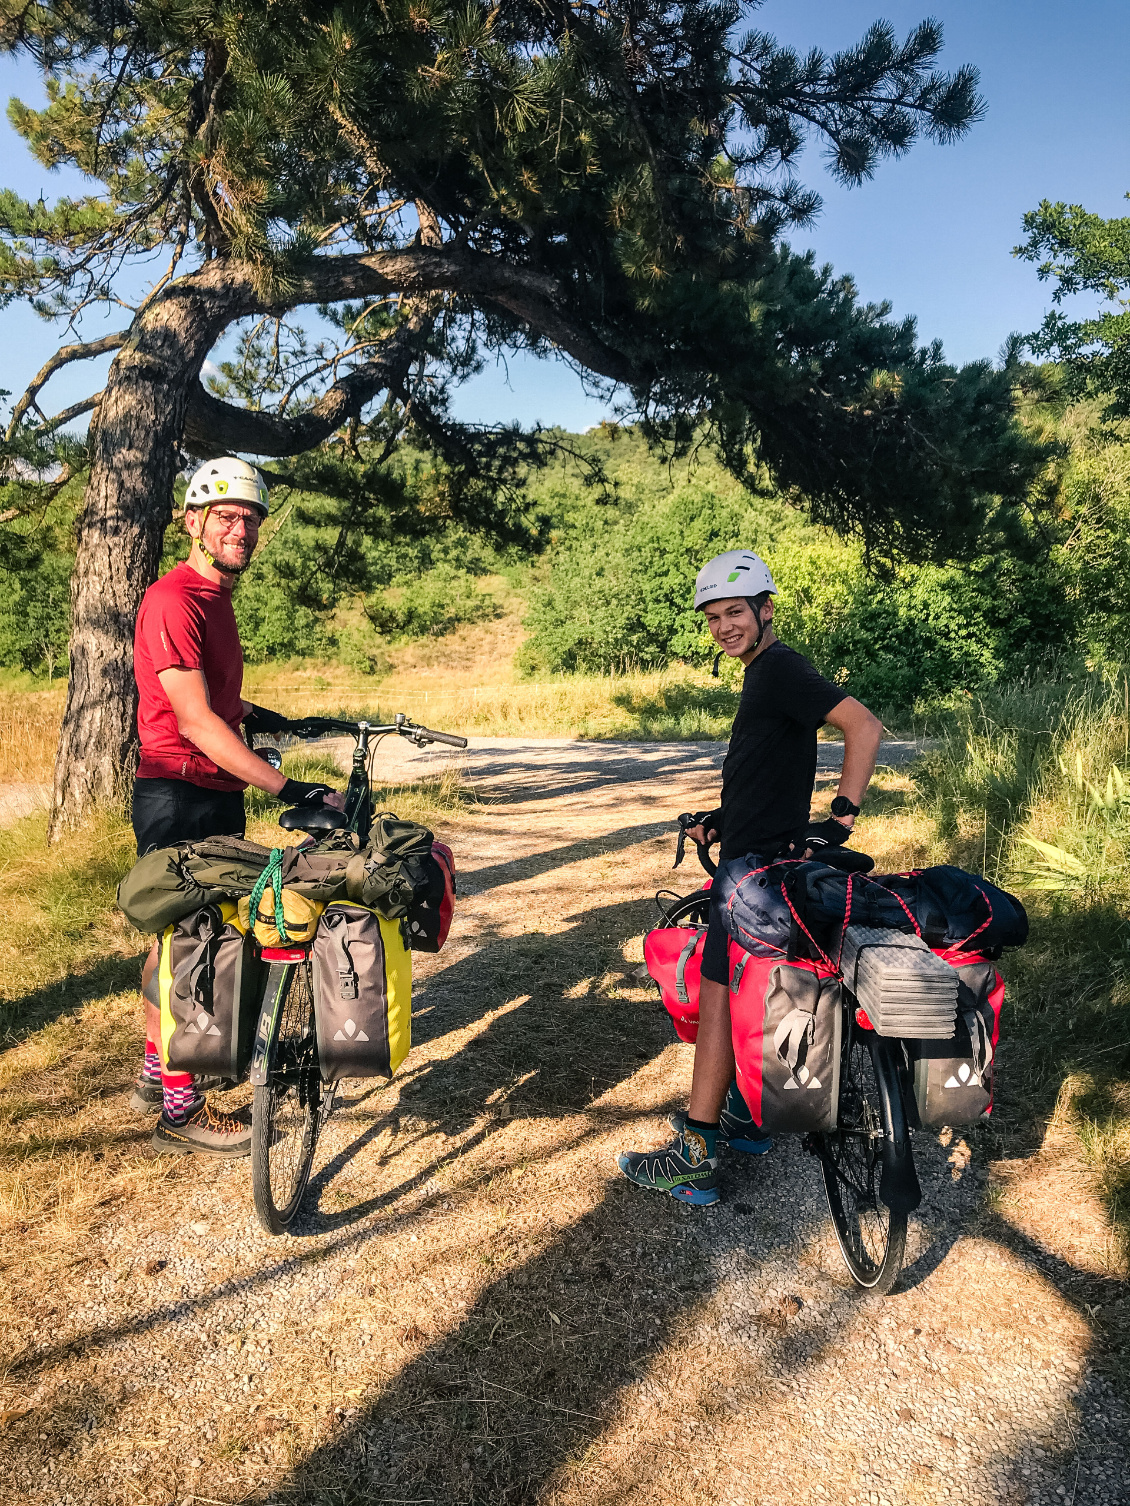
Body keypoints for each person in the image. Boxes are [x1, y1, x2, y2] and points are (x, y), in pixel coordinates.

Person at [618, 549, 882, 1205]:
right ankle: (747, 1119)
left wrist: (842, 818)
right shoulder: (764, 673)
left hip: (754, 875)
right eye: (713, 617)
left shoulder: (781, 668)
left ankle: (694, 1157)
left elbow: (864, 726)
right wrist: (721, 817)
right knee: (745, 994)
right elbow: (771, 767)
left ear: (766, 609)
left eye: (734, 612)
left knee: (716, 1005)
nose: (724, 626)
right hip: (756, 856)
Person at [129, 457, 343, 1157]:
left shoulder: (214, 602)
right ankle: (181, 1112)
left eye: (250, 520)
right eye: (227, 517)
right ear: (193, 521)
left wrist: (271, 716)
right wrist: (289, 788)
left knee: (183, 940)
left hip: (208, 791)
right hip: (180, 794)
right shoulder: (174, 600)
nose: (241, 531)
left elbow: (216, 700)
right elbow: (192, 720)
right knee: (193, 946)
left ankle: (158, 1074)